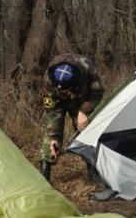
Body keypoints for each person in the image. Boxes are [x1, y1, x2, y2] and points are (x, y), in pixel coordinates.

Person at [39, 53, 105, 181]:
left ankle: (93, 170)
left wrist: (84, 111)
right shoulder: (49, 78)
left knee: (86, 132)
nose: (65, 92)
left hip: (80, 100)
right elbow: (51, 108)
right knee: (52, 133)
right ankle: (45, 171)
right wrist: (53, 137)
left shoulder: (87, 70)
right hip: (57, 101)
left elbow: (97, 93)